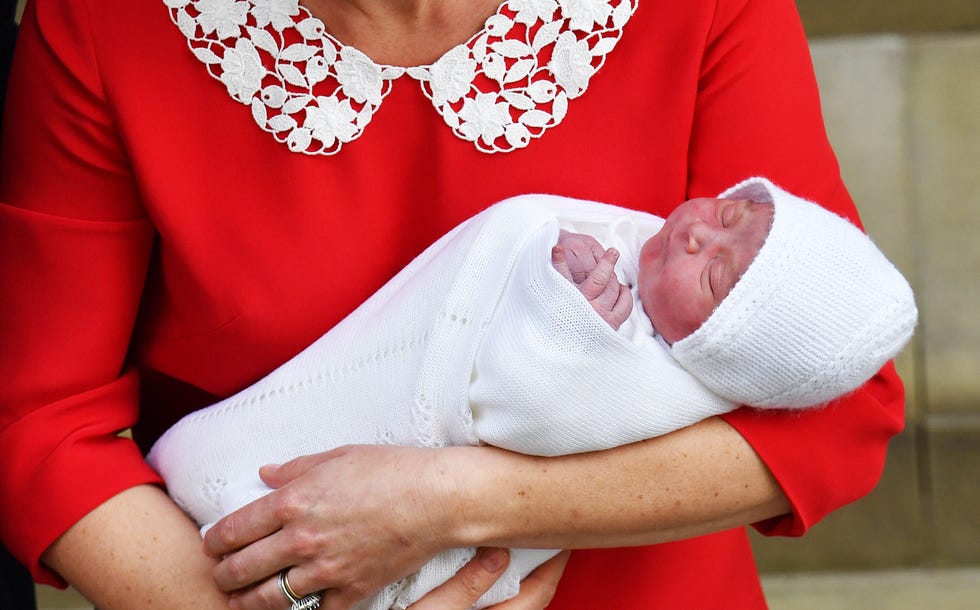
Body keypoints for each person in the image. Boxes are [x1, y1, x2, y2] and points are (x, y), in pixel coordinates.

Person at [0, 0, 912, 609]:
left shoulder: (700, 10)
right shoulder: (107, 23)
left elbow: (838, 406)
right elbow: (38, 421)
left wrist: (451, 503)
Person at [147, 178, 916, 610]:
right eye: (727, 214)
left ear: (717, 352)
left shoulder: (667, 382)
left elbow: (535, 410)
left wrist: (570, 318)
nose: (695, 236)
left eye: (715, 275)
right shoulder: (640, 256)